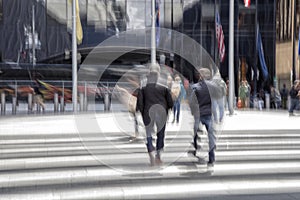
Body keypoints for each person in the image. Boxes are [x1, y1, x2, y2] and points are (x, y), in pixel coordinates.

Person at [136, 66, 173, 166]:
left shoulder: (144, 84)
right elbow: (169, 99)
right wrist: (169, 108)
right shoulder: (164, 84)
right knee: (161, 134)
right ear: (159, 73)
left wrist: (139, 111)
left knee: (148, 133)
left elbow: (140, 100)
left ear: (149, 72)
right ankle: (158, 156)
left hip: (148, 112)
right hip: (161, 112)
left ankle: (150, 150)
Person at [189, 68, 216, 167]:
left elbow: (192, 101)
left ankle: (196, 147)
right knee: (211, 136)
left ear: (201, 76)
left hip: (199, 113)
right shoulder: (213, 87)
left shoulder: (195, 87)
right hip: (209, 113)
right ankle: (211, 158)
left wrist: (193, 111)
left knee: (195, 132)